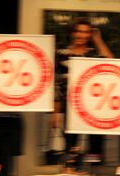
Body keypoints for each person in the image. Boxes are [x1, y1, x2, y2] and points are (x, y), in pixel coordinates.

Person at [48, 18, 114, 164]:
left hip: (92, 106)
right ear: (73, 33)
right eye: (79, 31)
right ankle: (72, 172)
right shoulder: (61, 54)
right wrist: (55, 112)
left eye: (86, 32)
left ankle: (95, 173)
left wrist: (98, 39)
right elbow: (56, 84)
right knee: (71, 146)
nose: (82, 35)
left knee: (95, 145)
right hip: (70, 106)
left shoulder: (92, 55)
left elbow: (111, 61)